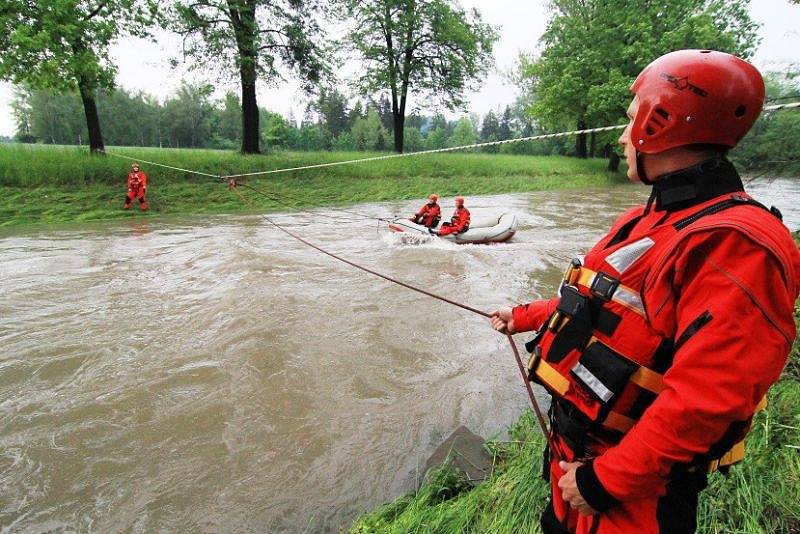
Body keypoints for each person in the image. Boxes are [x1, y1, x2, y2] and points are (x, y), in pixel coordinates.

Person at [490, 50, 800, 534]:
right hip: (572, 461)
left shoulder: (735, 243)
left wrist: (604, 482)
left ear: (660, 123)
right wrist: (523, 315)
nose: (621, 135)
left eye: (630, 119)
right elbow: (602, 307)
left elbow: (710, 398)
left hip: (632, 492)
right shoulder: (649, 218)